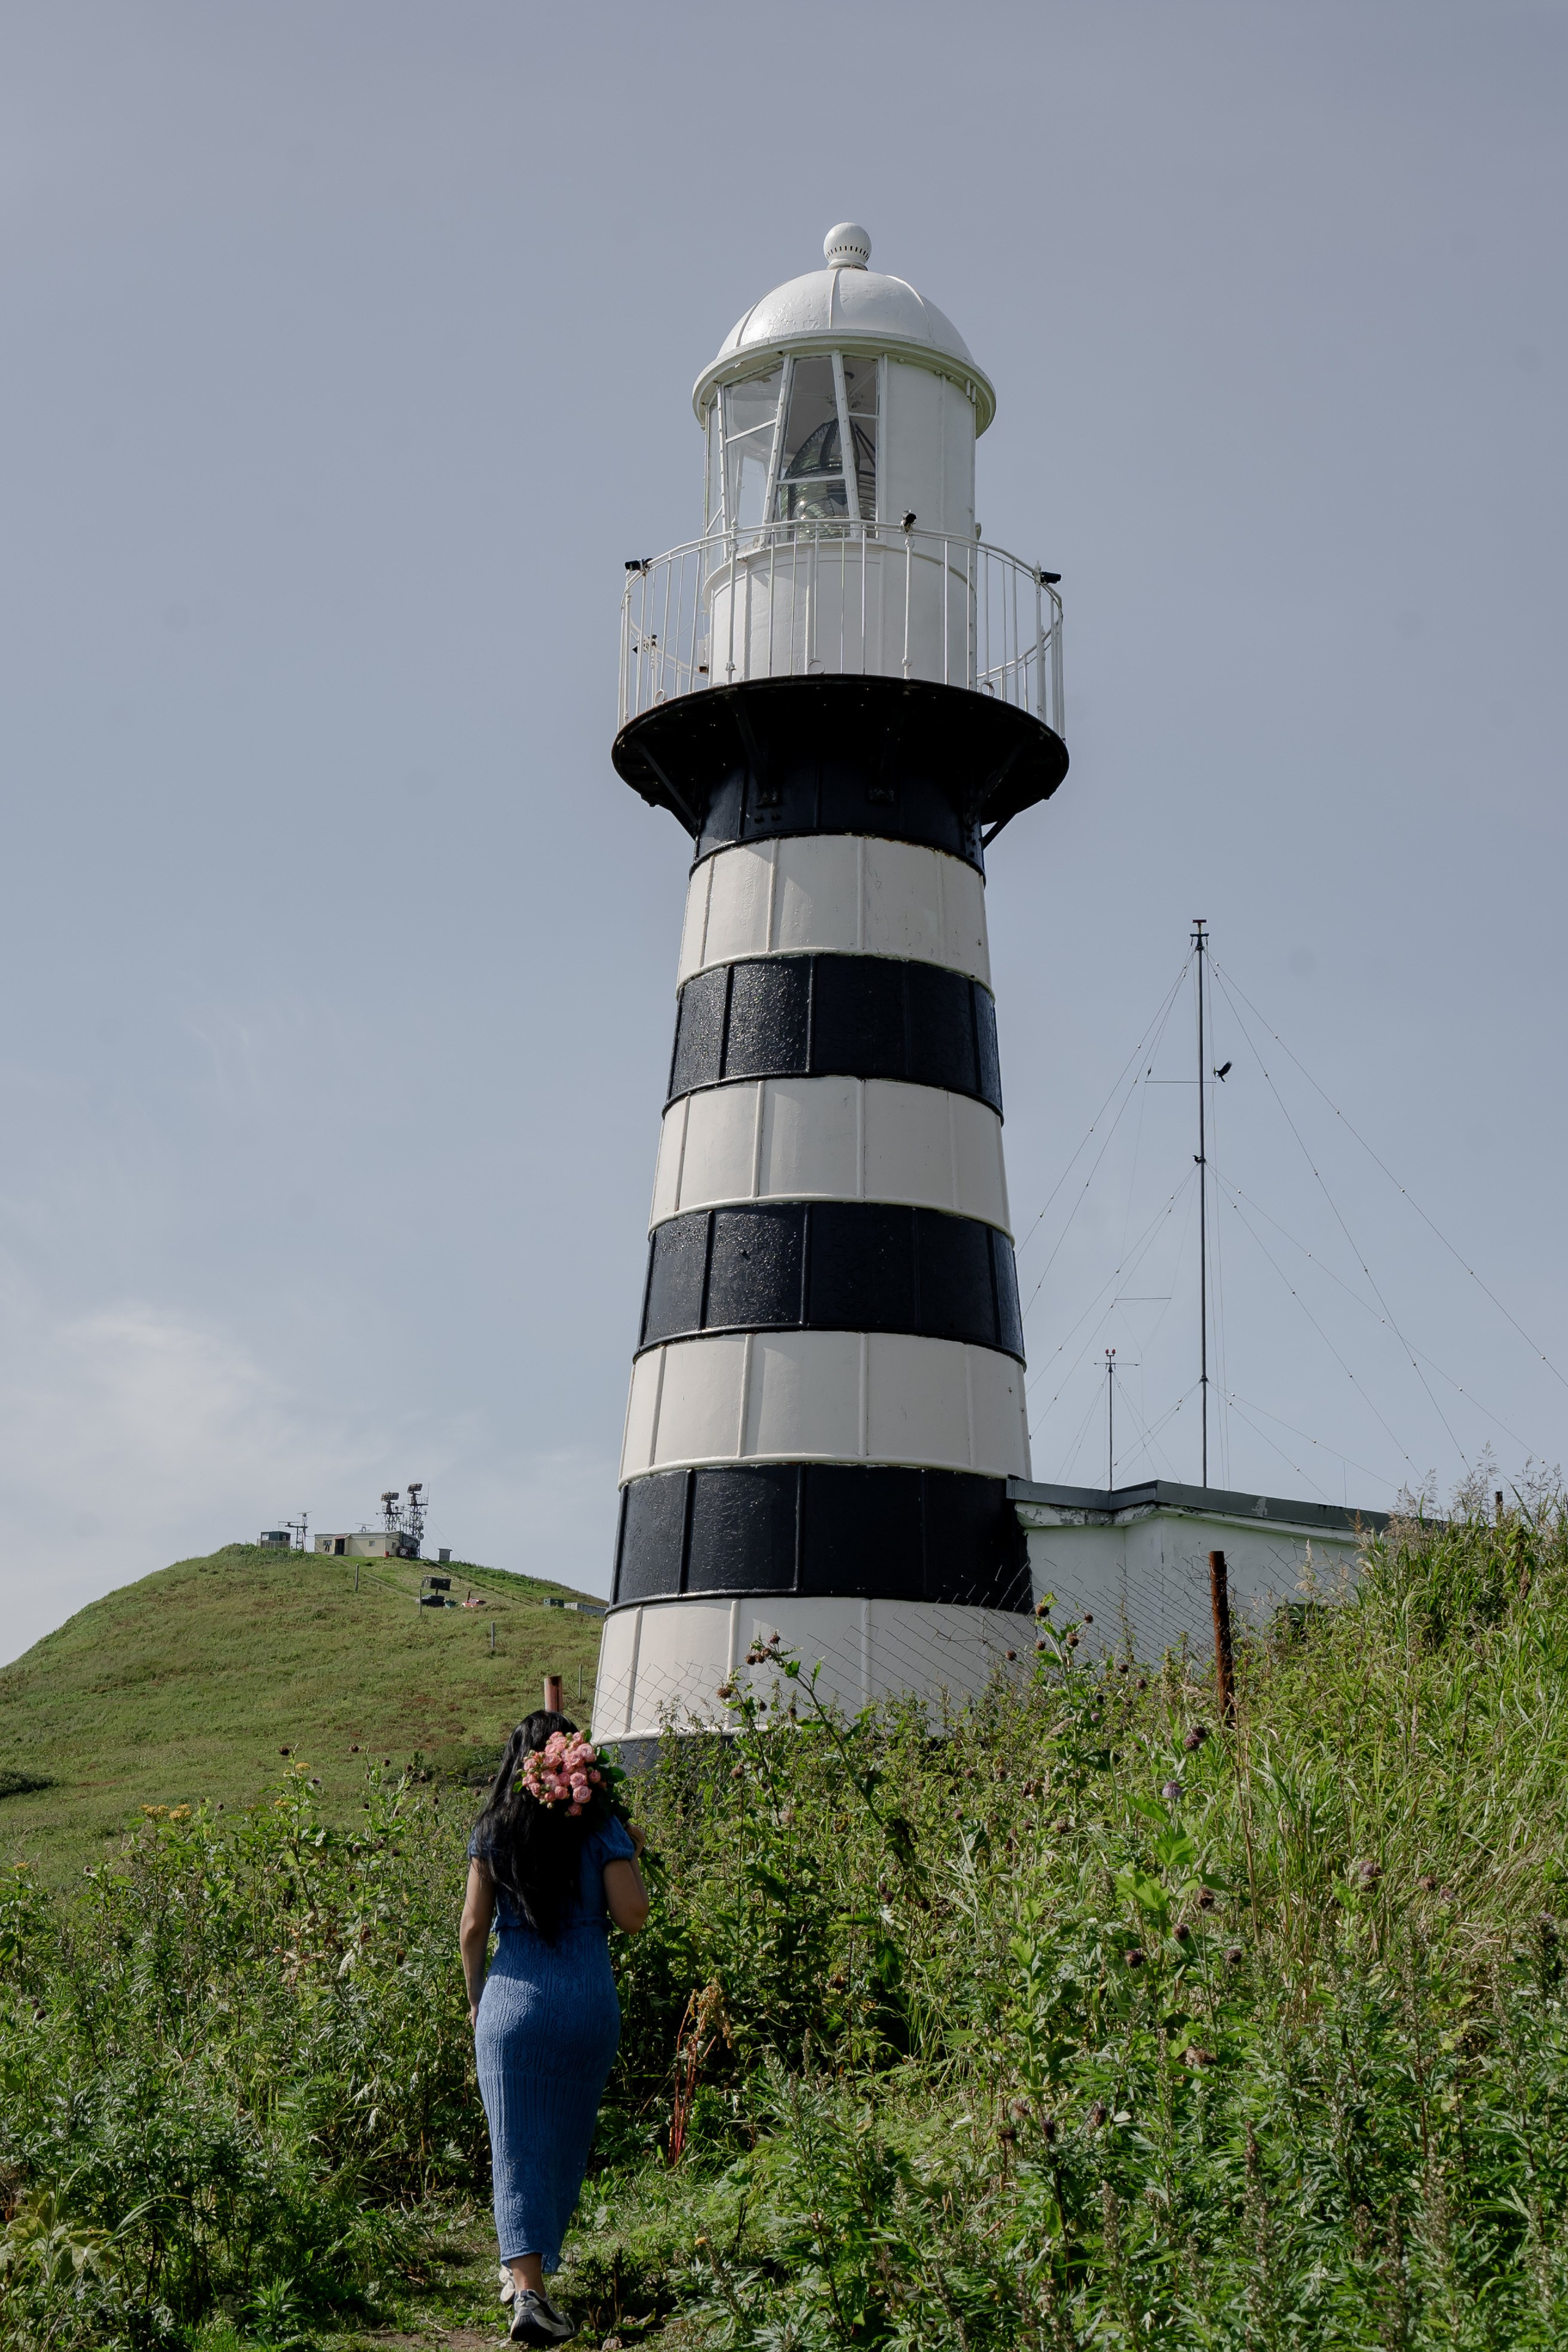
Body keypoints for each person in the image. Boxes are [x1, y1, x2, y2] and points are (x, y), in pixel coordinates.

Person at [461, 1711, 650, 2346]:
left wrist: (477, 2002)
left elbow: (469, 1931)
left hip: (511, 2008)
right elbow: (632, 1917)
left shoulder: (493, 1833)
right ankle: (529, 2278)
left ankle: (528, 2288)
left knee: (514, 2145)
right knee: (562, 2145)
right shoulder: (600, 1830)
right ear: (581, 1765)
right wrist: (626, 1848)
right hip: (583, 2007)